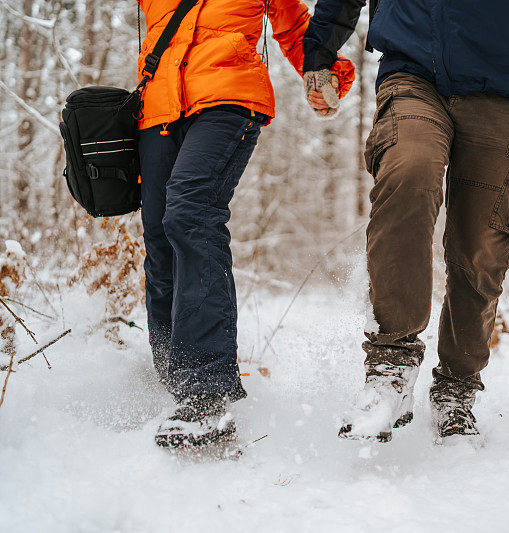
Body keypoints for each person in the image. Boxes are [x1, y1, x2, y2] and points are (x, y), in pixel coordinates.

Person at [302, 0, 509, 444]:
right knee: (409, 171)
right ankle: (390, 367)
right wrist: (319, 51)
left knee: (481, 245)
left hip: (503, 81)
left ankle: (456, 390)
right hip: (413, 68)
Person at [137, 0, 354, 447]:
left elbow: (296, 29)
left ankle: (207, 393)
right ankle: (172, 382)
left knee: (190, 213)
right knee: (159, 236)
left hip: (228, 101)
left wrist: (327, 74)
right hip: (158, 109)